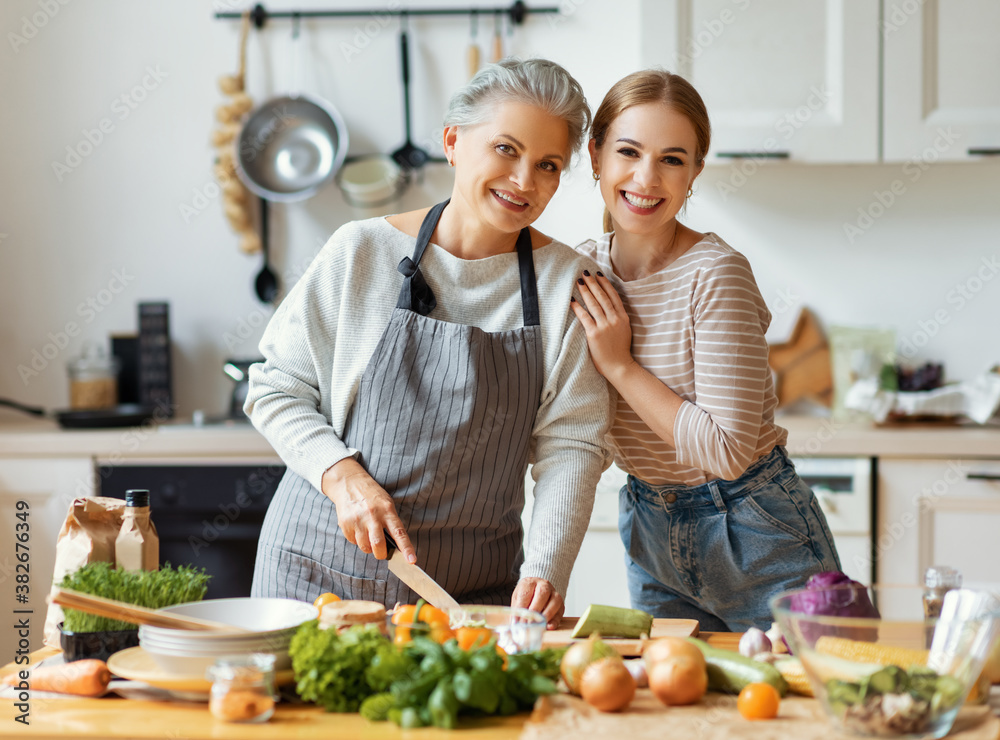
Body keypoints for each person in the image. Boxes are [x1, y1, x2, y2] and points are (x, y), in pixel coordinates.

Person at [246, 58, 611, 627]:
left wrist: (546, 567)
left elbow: (572, 445)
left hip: (468, 598)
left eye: (547, 165)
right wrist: (341, 475)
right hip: (314, 577)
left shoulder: (569, 283)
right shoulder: (359, 251)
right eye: (506, 149)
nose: (523, 181)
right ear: (453, 142)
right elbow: (274, 386)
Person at [571, 69, 840, 632]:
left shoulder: (715, 274)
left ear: (695, 171)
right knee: (682, 710)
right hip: (650, 523)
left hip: (755, 528)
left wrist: (619, 364)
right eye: (628, 151)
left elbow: (725, 450)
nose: (647, 177)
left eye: (672, 158)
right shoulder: (583, 269)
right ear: (595, 155)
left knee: (820, 711)